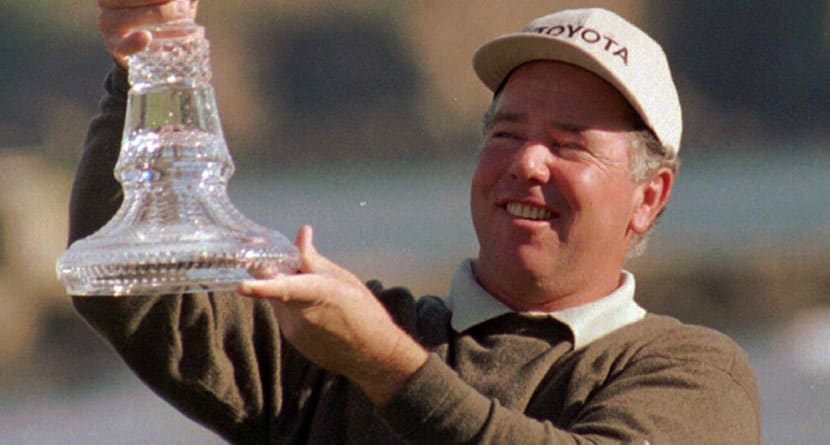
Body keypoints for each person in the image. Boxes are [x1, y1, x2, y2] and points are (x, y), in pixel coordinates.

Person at [70, 2, 761, 443]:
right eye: (506, 133)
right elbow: (137, 279)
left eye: (570, 141)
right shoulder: (339, 349)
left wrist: (388, 365)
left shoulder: (693, 371)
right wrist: (151, 63)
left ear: (649, 196)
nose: (527, 162)